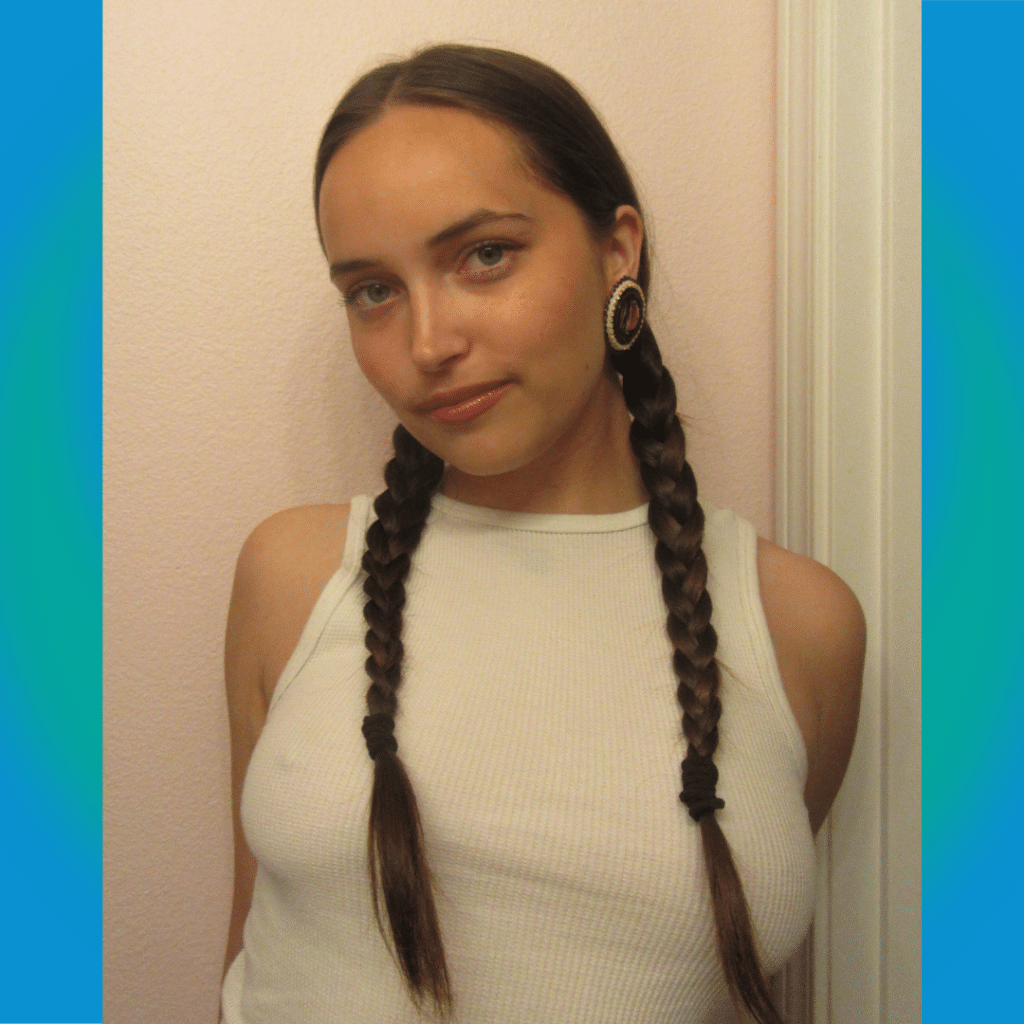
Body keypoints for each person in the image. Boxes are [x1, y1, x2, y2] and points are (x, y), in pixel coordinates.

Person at [220, 44, 864, 1024]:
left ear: (617, 250)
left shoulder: (800, 624)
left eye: (484, 255)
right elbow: (246, 953)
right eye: (373, 290)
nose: (428, 343)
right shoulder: (294, 577)